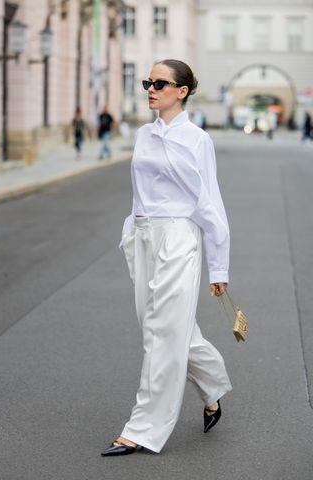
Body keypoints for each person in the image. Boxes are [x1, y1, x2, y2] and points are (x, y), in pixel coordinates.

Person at [101, 59, 232, 457]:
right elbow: (140, 190)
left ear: (183, 91)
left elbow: (209, 203)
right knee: (165, 329)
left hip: (178, 237)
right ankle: (212, 387)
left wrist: (219, 265)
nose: (151, 89)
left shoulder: (197, 140)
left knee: (161, 335)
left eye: (160, 83)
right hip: (144, 237)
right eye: (148, 82)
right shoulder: (143, 135)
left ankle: (142, 429)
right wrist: (132, 230)